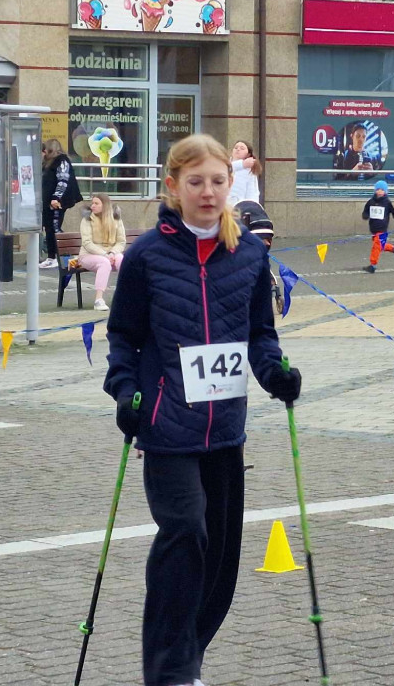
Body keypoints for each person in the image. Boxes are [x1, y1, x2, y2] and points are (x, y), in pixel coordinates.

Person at [103, 133, 302, 686]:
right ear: (174, 187)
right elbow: (124, 338)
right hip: (167, 427)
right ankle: (167, 670)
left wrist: (277, 375)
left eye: (218, 181)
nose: (209, 192)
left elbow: (260, 336)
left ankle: (189, 657)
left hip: (225, 431)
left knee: (219, 561)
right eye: (196, 182)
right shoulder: (146, 257)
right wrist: (124, 391)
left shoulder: (249, 255)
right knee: (185, 532)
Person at [78, 192, 127, 312]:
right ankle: (98, 300)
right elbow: (87, 243)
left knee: (122, 260)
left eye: (96, 203)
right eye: (92, 203)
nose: (92, 206)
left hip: (111, 253)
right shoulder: (87, 219)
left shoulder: (116, 219)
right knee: (104, 263)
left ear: (105, 205)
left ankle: (126, 297)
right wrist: (104, 254)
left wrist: (112, 253)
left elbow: (121, 242)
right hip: (88, 255)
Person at [40, 138, 83, 269]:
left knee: (54, 227)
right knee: (49, 227)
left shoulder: (61, 161)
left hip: (56, 201)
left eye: (45, 150)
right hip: (49, 201)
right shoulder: (50, 162)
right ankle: (52, 256)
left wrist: (56, 198)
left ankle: (61, 255)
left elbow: (63, 181)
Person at [361, 179, 394, 273]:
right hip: (373, 228)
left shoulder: (387, 202)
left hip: (382, 228)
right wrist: (365, 215)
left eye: (382, 190)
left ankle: (373, 266)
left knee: (376, 247)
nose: (380, 191)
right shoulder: (370, 201)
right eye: (378, 189)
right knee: (380, 246)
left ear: (385, 191)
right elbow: (366, 211)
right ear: (375, 190)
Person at [227, 140, 261, 205]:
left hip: (238, 208)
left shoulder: (249, 171)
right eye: (236, 148)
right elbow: (222, 170)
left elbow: (252, 193)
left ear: (248, 154)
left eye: (242, 148)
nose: (238, 149)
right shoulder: (224, 163)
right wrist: (242, 164)